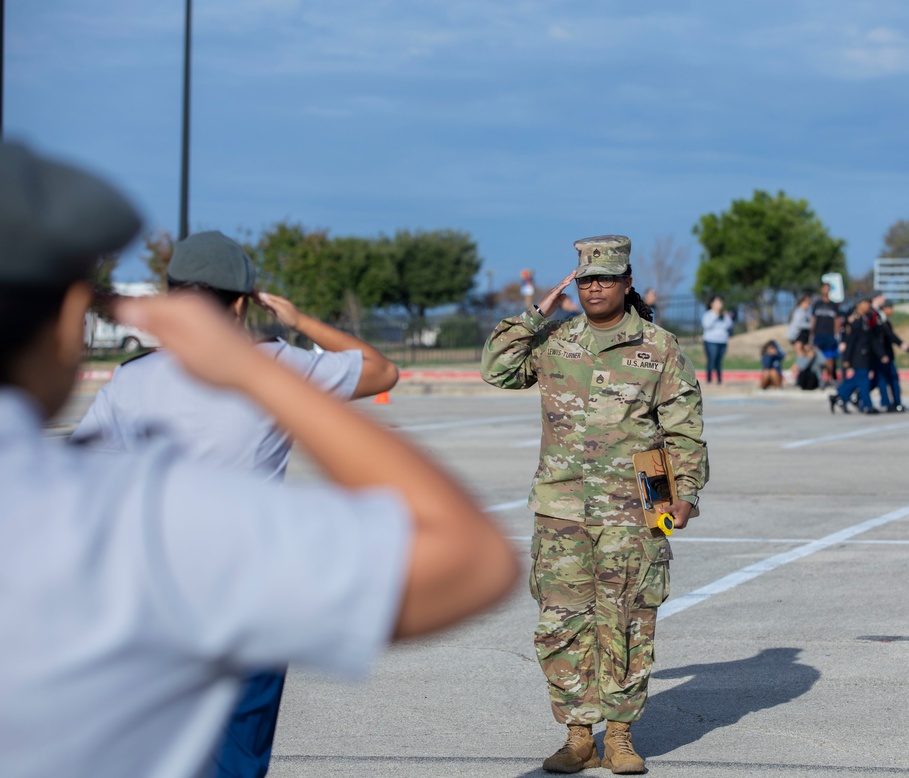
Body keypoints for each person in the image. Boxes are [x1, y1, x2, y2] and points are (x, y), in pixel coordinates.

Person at [0, 141, 519, 778]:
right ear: (241, 305)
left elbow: (84, 455)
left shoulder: (127, 387)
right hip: (239, 582)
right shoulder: (266, 375)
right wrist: (280, 345)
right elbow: (468, 554)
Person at [71, 229, 400, 778]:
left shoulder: (130, 382)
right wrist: (298, 323)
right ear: (243, 303)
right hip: (251, 588)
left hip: (154, 592)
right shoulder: (279, 367)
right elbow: (381, 370)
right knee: (237, 756)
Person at [481, 235, 709, 775]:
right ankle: (579, 733)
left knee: (628, 620)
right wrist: (536, 313)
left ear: (627, 283)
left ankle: (622, 737)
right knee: (561, 623)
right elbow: (496, 368)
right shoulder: (556, 342)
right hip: (561, 511)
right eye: (585, 279)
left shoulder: (659, 348)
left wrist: (685, 494)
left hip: (634, 513)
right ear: (574, 285)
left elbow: (684, 430)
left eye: (606, 277)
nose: (595, 286)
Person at [829, 297, 882, 415]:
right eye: (865, 303)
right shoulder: (857, 321)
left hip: (865, 354)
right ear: (859, 305)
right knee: (864, 381)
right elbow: (851, 340)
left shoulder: (864, 319)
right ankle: (867, 405)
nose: (868, 306)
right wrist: (847, 358)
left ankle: (838, 396)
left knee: (857, 379)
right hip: (858, 355)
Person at [809, 283, 841, 387]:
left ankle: (829, 378)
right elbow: (814, 319)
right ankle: (820, 379)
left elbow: (837, 320)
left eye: (827, 288)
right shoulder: (817, 304)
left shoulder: (833, 305)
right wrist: (812, 332)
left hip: (830, 335)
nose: (825, 290)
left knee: (830, 358)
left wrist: (836, 333)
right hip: (819, 335)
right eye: (824, 288)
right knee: (818, 358)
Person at [701, 294, 733, 384]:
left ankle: (719, 379)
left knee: (719, 360)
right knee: (712, 359)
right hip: (711, 340)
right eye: (717, 302)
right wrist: (716, 316)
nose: (719, 304)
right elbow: (707, 325)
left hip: (722, 340)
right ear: (712, 303)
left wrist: (726, 316)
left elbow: (729, 325)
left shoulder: (724, 315)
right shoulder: (708, 315)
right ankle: (709, 379)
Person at [786, 293, 812, 358]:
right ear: (801, 302)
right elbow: (798, 324)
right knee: (800, 354)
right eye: (807, 301)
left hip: (804, 335)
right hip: (797, 335)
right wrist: (811, 325)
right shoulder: (798, 311)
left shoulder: (806, 312)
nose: (809, 303)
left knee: (807, 353)